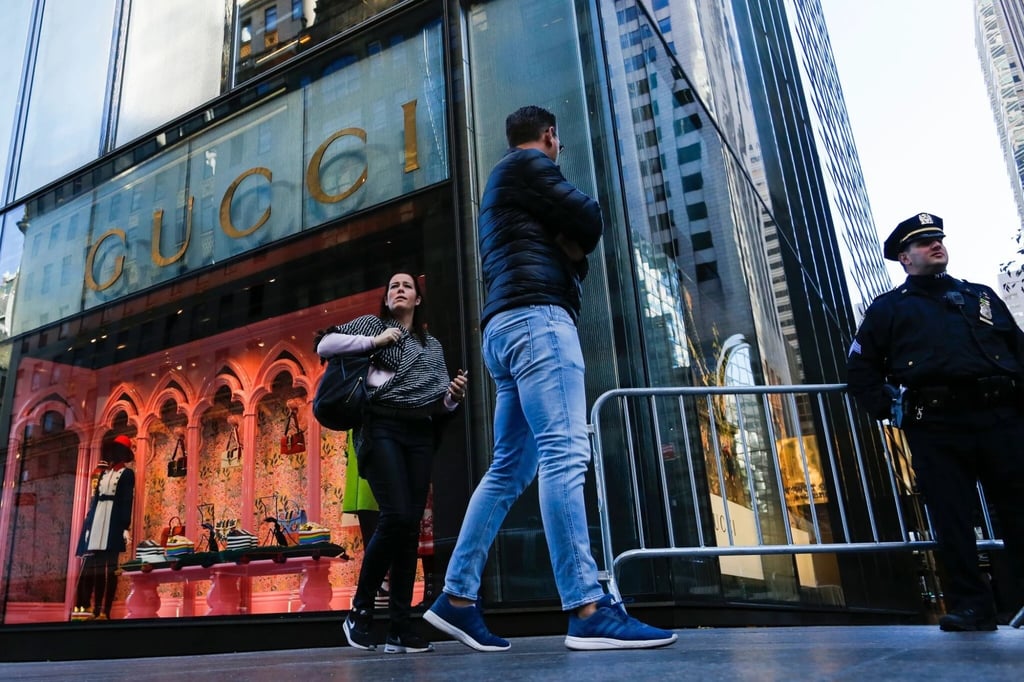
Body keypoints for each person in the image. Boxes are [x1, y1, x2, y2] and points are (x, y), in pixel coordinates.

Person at [424, 105, 677, 651]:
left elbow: (574, 245)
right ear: (550, 136)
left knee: (509, 468)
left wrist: (569, 244)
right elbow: (589, 219)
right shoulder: (528, 165)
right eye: (557, 143)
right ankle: (587, 607)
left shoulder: (505, 188)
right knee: (564, 454)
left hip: (505, 328)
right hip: (538, 322)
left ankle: (457, 598)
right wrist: (571, 240)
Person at [846, 212, 1024, 632]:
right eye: (923, 242)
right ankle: (973, 607)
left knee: (1020, 510)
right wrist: (895, 412)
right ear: (904, 257)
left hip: (1001, 418)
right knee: (952, 518)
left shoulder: (980, 297)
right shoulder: (888, 309)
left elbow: (1018, 350)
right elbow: (860, 371)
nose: (936, 244)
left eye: (938, 238)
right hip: (937, 426)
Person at [316, 272, 468, 654]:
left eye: (407, 286)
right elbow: (325, 344)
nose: (399, 290)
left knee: (409, 528)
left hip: (419, 433)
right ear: (386, 300)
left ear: (418, 299)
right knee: (396, 516)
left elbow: (438, 403)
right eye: (393, 287)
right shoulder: (373, 326)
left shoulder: (432, 347)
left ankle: (400, 626)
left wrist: (452, 397)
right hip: (380, 426)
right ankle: (360, 610)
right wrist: (375, 342)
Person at [74, 435, 135, 621]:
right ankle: (93, 608)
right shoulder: (104, 473)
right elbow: (95, 501)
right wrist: (88, 526)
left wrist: (125, 526)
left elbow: (126, 501)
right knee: (96, 567)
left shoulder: (127, 474)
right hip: (98, 520)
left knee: (111, 567)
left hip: (113, 522)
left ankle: (105, 611)